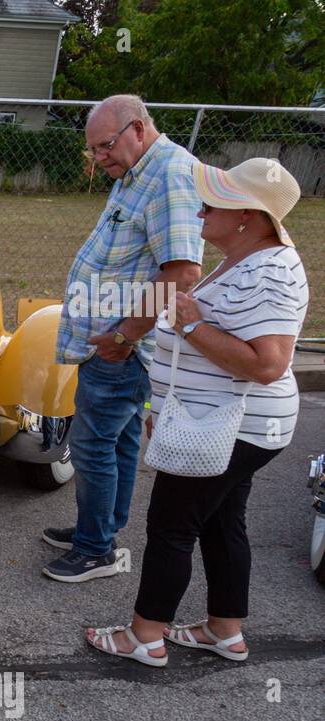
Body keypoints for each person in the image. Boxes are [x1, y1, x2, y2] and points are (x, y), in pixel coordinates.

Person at [86, 157, 307, 665]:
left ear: (249, 215)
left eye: (216, 201)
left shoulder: (268, 271)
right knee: (222, 520)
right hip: (221, 422)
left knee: (172, 525)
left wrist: (189, 325)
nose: (202, 208)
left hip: (226, 427)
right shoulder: (247, 257)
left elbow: (268, 364)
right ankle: (224, 630)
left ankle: (145, 636)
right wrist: (165, 404)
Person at [42, 95, 204, 583]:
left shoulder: (169, 176)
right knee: (121, 441)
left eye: (105, 146)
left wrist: (123, 336)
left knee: (92, 446)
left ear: (137, 128)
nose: (99, 158)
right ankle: (102, 528)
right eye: (93, 150)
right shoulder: (136, 171)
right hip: (114, 344)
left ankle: (96, 550)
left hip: (120, 349)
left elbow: (181, 272)